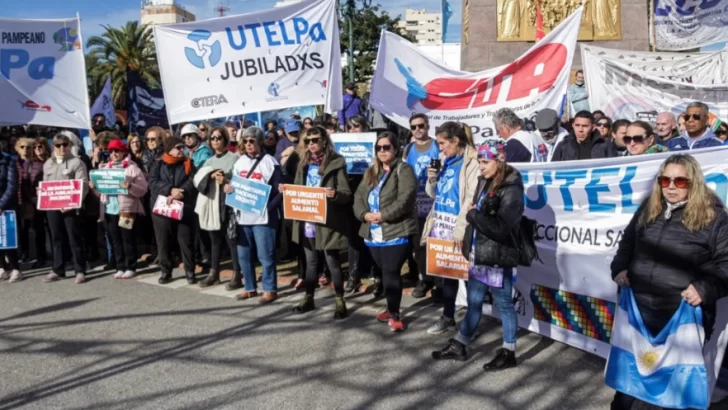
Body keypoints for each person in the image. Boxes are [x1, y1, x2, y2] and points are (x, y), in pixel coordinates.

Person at [609, 153, 728, 409]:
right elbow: (627, 243)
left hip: (682, 317)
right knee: (627, 385)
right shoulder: (648, 207)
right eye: (665, 180)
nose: (671, 187)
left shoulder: (715, 217)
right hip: (639, 311)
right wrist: (620, 267)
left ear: (693, 182)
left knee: (677, 391)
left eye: (680, 181)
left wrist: (704, 289)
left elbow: (726, 265)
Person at [432, 139, 523, 370]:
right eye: (479, 162)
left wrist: (474, 216)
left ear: (499, 161)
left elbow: (501, 228)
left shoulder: (511, 188)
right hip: (479, 252)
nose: (480, 167)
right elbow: (474, 210)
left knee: (504, 303)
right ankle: (460, 344)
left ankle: (509, 351)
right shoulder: (485, 181)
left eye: (485, 161)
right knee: (473, 301)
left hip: (497, 255)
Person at [353, 132, 417, 331]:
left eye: (386, 147)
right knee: (384, 270)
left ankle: (395, 314)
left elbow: (405, 199)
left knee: (391, 272)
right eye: (379, 148)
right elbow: (359, 197)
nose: (382, 151)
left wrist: (383, 215)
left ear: (395, 149)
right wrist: (364, 214)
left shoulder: (403, 169)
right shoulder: (372, 171)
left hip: (395, 231)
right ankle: (390, 308)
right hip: (373, 233)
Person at [286, 126, 351, 319]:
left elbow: (346, 194)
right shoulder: (302, 163)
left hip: (327, 221)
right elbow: (296, 187)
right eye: (308, 141)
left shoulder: (337, 162)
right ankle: (309, 297)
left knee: (332, 261)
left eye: (315, 140)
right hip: (307, 219)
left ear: (324, 141)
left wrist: (335, 194)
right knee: (311, 262)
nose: (311, 144)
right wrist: (287, 191)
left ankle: (340, 300)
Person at [423, 121, 479, 335]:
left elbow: (470, 199)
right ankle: (448, 317)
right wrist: (432, 178)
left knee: (472, 279)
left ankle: (471, 326)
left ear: (456, 141)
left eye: (442, 143)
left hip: (462, 228)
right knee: (448, 276)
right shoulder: (445, 161)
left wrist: (459, 229)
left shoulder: (472, 162)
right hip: (442, 226)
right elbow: (433, 194)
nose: (440, 149)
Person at [228, 127, 282, 303]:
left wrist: (268, 208)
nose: (248, 144)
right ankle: (249, 288)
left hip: (263, 217)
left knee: (265, 255)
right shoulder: (239, 162)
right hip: (242, 216)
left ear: (259, 142)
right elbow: (233, 186)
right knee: (244, 255)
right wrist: (227, 188)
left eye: (252, 141)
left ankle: (270, 289)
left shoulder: (270, 162)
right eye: (245, 141)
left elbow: (279, 191)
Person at [89, 139, 148, 279]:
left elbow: (143, 189)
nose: (114, 154)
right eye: (111, 151)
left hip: (126, 209)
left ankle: (131, 266)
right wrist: (94, 188)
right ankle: (120, 266)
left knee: (127, 238)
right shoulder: (104, 169)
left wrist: (130, 186)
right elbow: (101, 193)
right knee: (115, 239)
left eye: (117, 151)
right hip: (109, 209)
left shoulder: (132, 168)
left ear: (123, 152)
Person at [196, 127, 243, 290]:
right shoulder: (208, 161)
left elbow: (239, 180)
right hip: (213, 205)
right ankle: (214, 273)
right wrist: (210, 176)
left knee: (232, 240)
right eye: (213, 138)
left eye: (219, 137)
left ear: (225, 140)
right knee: (214, 240)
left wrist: (226, 179)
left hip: (229, 204)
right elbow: (199, 180)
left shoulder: (234, 159)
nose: (215, 141)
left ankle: (237, 274)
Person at [149, 136, 197, 284]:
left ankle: (190, 270)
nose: (181, 150)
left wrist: (181, 192)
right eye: (178, 147)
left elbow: (193, 179)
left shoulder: (188, 163)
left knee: (185, 239)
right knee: (163, 240)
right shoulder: (158, 163)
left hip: (183, 206)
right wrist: (169, 190)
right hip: (163, 206)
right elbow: (153, 182)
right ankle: (165, 270)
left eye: (182, 147)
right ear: (169, 149)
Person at [403, 113, 441, 299]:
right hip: (416, 204)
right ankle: (424, 279)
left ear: (427, 126)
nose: (417, 130)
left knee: (437, 243)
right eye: (414, 127)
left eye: (421, 126)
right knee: (419, 245)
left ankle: (440, 283)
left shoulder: (436, 146)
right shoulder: (408, 148)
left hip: (435, 204)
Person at [42, 133, 89, 284]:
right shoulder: (48, 163)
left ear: (69, 145)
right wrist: (42, 193)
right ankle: (58, 269)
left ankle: (79, 270)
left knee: (74, 237)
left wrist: (72, 203)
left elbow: (83, 186)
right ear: (53, 146)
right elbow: (46, 185)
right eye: (58, 145)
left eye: (65, 144)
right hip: (52, 207)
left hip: (70, 207)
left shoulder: (77, 162)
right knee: (56, 237)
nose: (62, 147)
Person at [181, 123, 213, 267]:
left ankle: (206, 255)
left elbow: (201, 168)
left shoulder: (204, 150)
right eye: (184, 137)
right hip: (188, 191)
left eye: (190, 136)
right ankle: (196, 254)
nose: (187, 139)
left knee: (202, 225)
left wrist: (187, 162)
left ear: (196, 136)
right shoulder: (184, 151)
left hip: (201, 190)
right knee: (191, 225)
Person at [15, 137, 46, 268]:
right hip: (19, 200)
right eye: (22, 147)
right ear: (17, 148)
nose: (25, 149)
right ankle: (24, 253)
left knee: (38, 229)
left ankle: (41, 256)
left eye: (29, 147)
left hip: (35, 200)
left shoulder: (38, 163)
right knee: (21, 228)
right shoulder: (14, 162)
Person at [551, 111, 617, 161]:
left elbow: (614, 169)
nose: (580, 130)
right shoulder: (563, 146)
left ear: (593, 127)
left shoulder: (606, 145)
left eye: (585, 126)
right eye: (577, 125)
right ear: (573, 125)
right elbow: (553, 170)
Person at [0, 142, 20, 282]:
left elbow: (12, 185)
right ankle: (2, 267)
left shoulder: (8, 161)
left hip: (6, 205)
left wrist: (1, 204)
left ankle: (15, 268)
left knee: (8, 238)